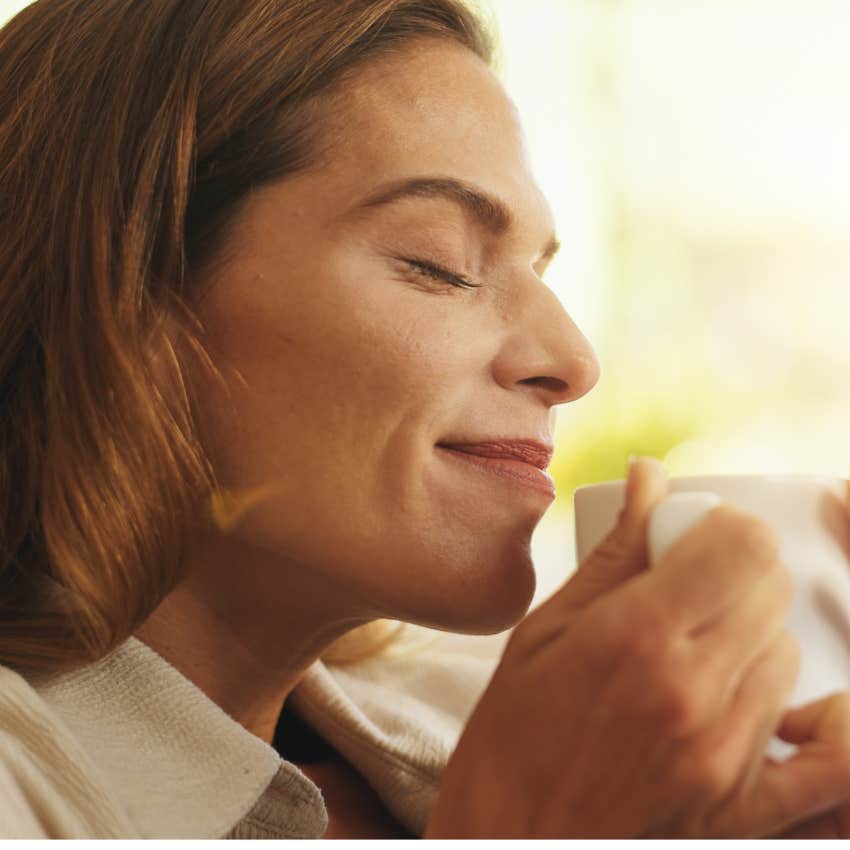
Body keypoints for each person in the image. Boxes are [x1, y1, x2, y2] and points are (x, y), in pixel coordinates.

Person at [1, 0, 850, 839]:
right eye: (440, 264)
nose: (574, 359)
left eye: (540, 270)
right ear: (119, 301)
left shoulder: (511, 719)